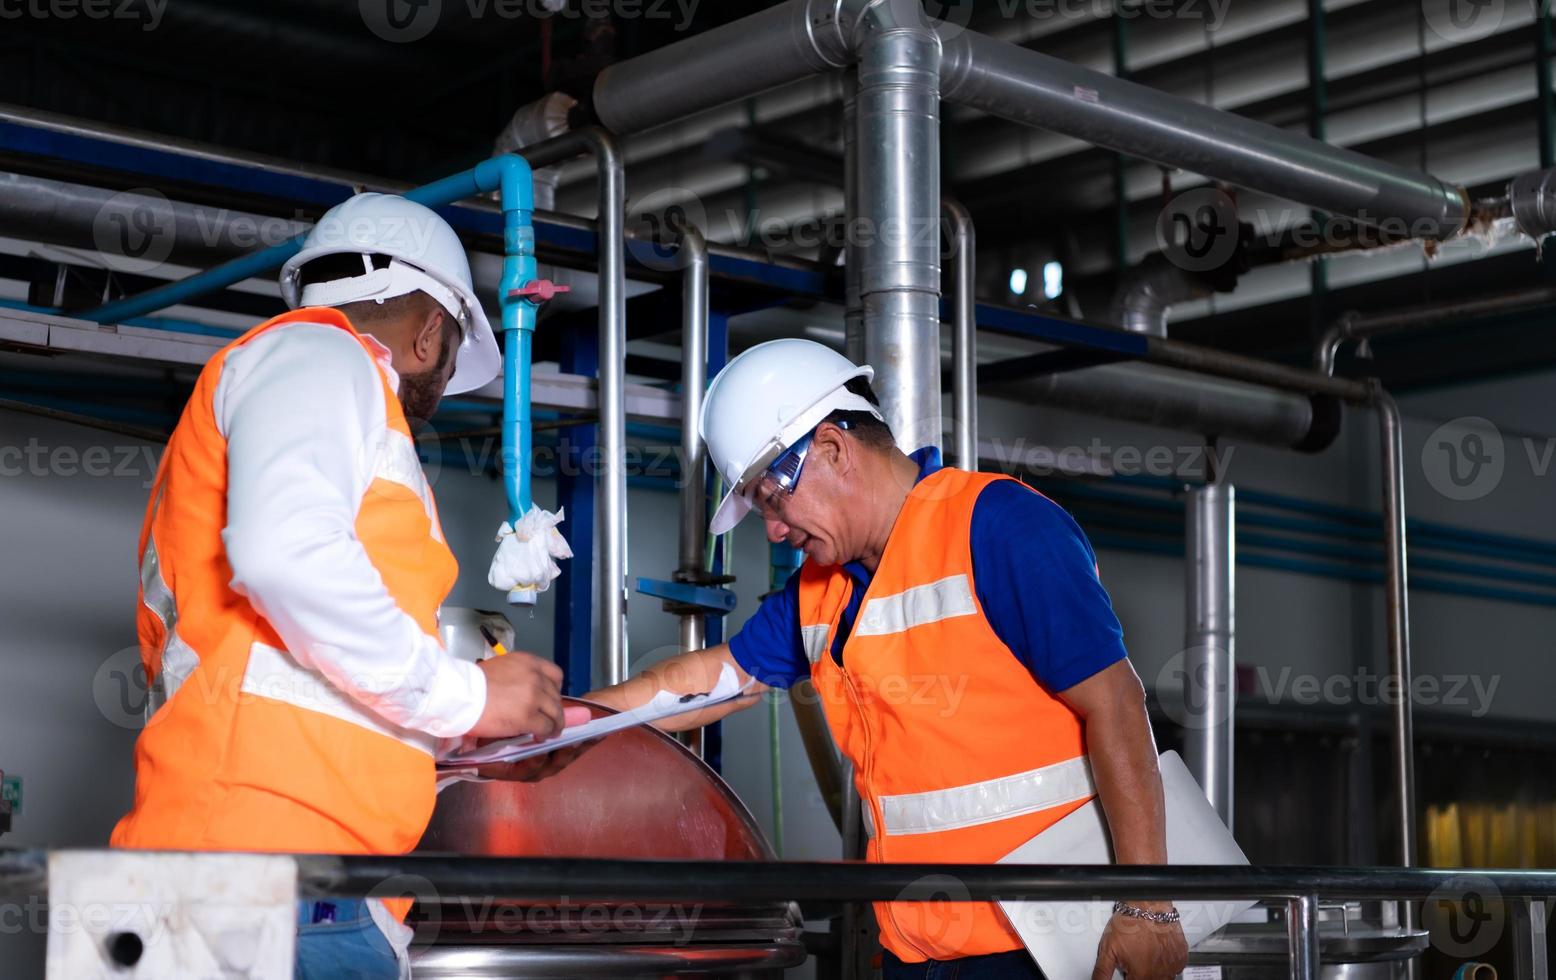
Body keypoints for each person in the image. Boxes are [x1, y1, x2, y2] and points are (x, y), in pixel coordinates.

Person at [587, 339, 1189, 980]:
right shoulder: (822, 587)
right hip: (916, 950)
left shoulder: (1000, 526)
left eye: (771, 497)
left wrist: (1148, 904)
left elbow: (1117, 703)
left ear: (832, 449)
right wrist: (573, 722)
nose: (773, 529)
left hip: (1044, 948)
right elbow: (716, 681)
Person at [110, 193, 581, 979]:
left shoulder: (297, 377)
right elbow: (283, 554)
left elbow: (299, 676)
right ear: (431, 329)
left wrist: (462, 737)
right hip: (264, 875)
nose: (435, 396)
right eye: (450, 355)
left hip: (280, 878)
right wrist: (466, 698)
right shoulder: (323, 354)